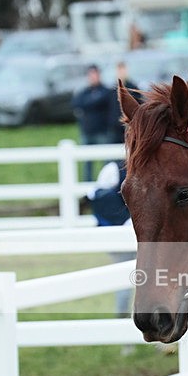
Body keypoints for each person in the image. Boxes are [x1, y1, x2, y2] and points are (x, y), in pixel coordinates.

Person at [86, 159, 134, 317]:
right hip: (122, 236)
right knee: (124, 283)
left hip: (152, 237)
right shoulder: (114, 169)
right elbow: (101, 202)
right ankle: (123, 328)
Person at [72, 64, 112, 181]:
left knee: (106, 162)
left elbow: (101, 101)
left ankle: (105, 186)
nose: (93, 77)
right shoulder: (84, 92)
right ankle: (87, 190)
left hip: (102, 132)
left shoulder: (106, 91)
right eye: (91, 75)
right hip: (87, 131)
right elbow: (76, 104)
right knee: (87, 163)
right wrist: (94, 102)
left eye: (95, 74)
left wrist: (90, 103)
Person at [107, 61, 141, 143]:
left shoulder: (133, 88)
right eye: (119, 70)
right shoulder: (112, 89)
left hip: (130, 126)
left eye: (123, 70)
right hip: (115, 127)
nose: (121, 73)